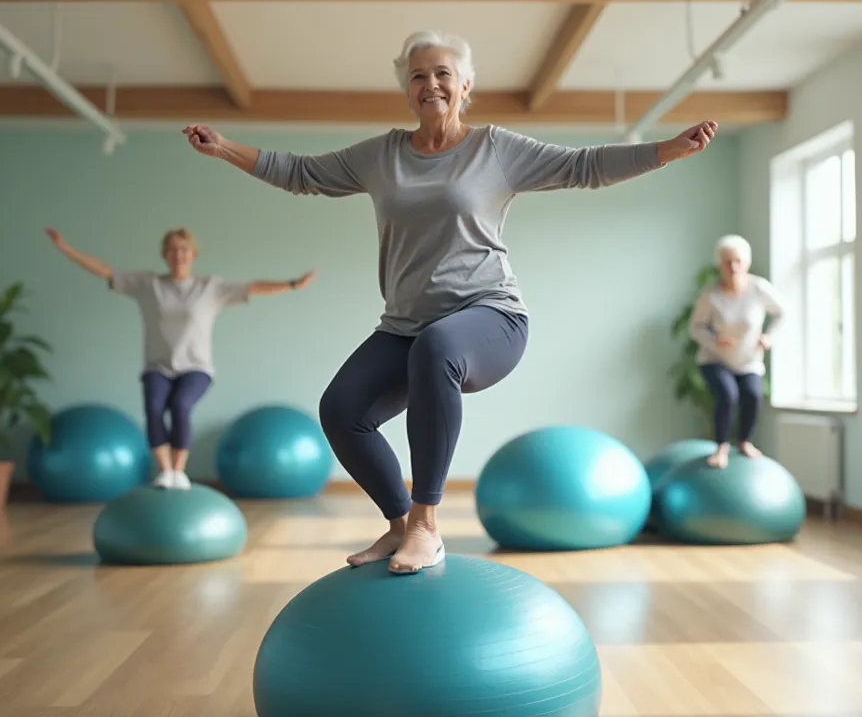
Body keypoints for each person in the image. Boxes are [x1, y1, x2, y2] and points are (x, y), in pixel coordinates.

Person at [181, 29, 718, 574]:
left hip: (492, 319)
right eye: (418, 75)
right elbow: (302, 174)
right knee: (342, 410)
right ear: (407, 91)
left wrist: (668, 150)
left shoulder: (495, 149)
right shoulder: (381, 156)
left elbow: (583, 166)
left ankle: (426, 524)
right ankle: (398, 526)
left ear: (465, 86)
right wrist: (223, 147)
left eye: (442, 74)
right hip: (405, 327)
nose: (430, 83)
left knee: (438, 347)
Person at [45, 226, 315, 489]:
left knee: (180, 405)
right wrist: (64, 247)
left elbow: (252, 288)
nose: (179, 254)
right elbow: (104, 271)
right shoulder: (149, 285)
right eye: (173, 249)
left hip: (196, 368)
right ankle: (165, 473)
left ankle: (178, 470)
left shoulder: (210, 287)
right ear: (165, 254)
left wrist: (292, 284)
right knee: (153, 407)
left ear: (193, 254)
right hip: (158, 367)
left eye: (184, 249)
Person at [688, 234, 785, 469]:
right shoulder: (710, 295)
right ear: (719, 265)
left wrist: (768, 336)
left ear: (746, 263)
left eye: (737, 261)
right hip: (714, 359)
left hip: (748, 361)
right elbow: (695, 328)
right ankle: (721, 446)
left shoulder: (759, 289)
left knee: (752, 395)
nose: (733, 267)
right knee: (728, 394)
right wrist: (715, 340)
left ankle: (744, 442)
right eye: (727, 262)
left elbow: (782, 313)